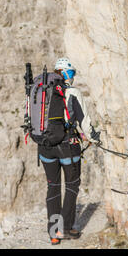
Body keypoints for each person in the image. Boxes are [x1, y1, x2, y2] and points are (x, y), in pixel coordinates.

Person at [38, 57, 101, 245]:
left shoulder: (42, 91)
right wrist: (94, 138)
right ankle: (65, 229)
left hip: (45, 147)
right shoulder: (73, 92)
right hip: (68, 146)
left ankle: (53, 232)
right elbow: (84, 121)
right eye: (71, 73)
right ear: (65, 73)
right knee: (72, 185)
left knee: (53, 186)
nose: (72, 77)